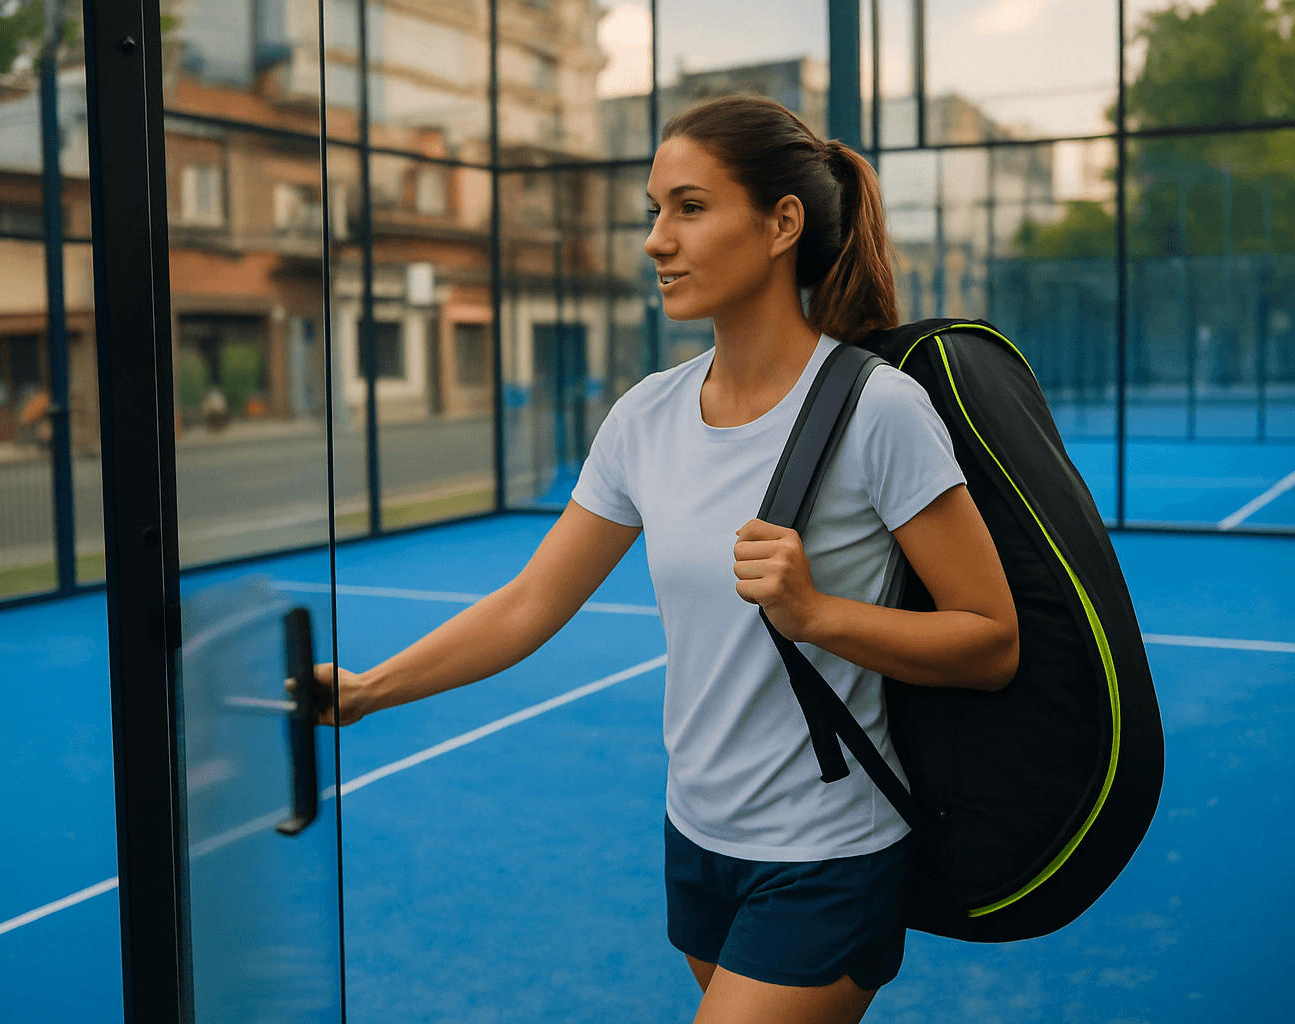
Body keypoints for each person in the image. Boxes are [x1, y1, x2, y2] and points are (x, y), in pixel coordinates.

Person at [314, 95, 1019, 1024]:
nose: (655, 239)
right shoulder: (646, 415)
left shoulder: (876, 410)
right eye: (654, 209)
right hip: (695, 840)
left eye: (689, 207)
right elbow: (531, 603)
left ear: (781, 224)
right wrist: (370, 690)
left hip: (828, 854)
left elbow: (991, 639)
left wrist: (819, 614)